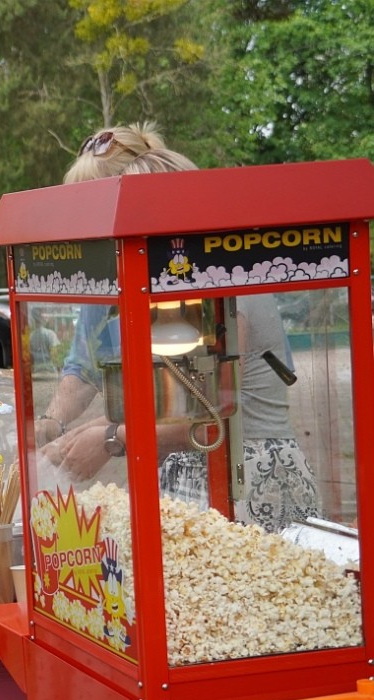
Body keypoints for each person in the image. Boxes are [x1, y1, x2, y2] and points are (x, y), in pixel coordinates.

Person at [36, 122, 318, 531]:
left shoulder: (216, 281)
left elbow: (207, 412)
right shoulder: (166, 284)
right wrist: (69, 428)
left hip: (245, 478)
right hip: (189, 474)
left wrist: (111, 436)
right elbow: (163, 397)